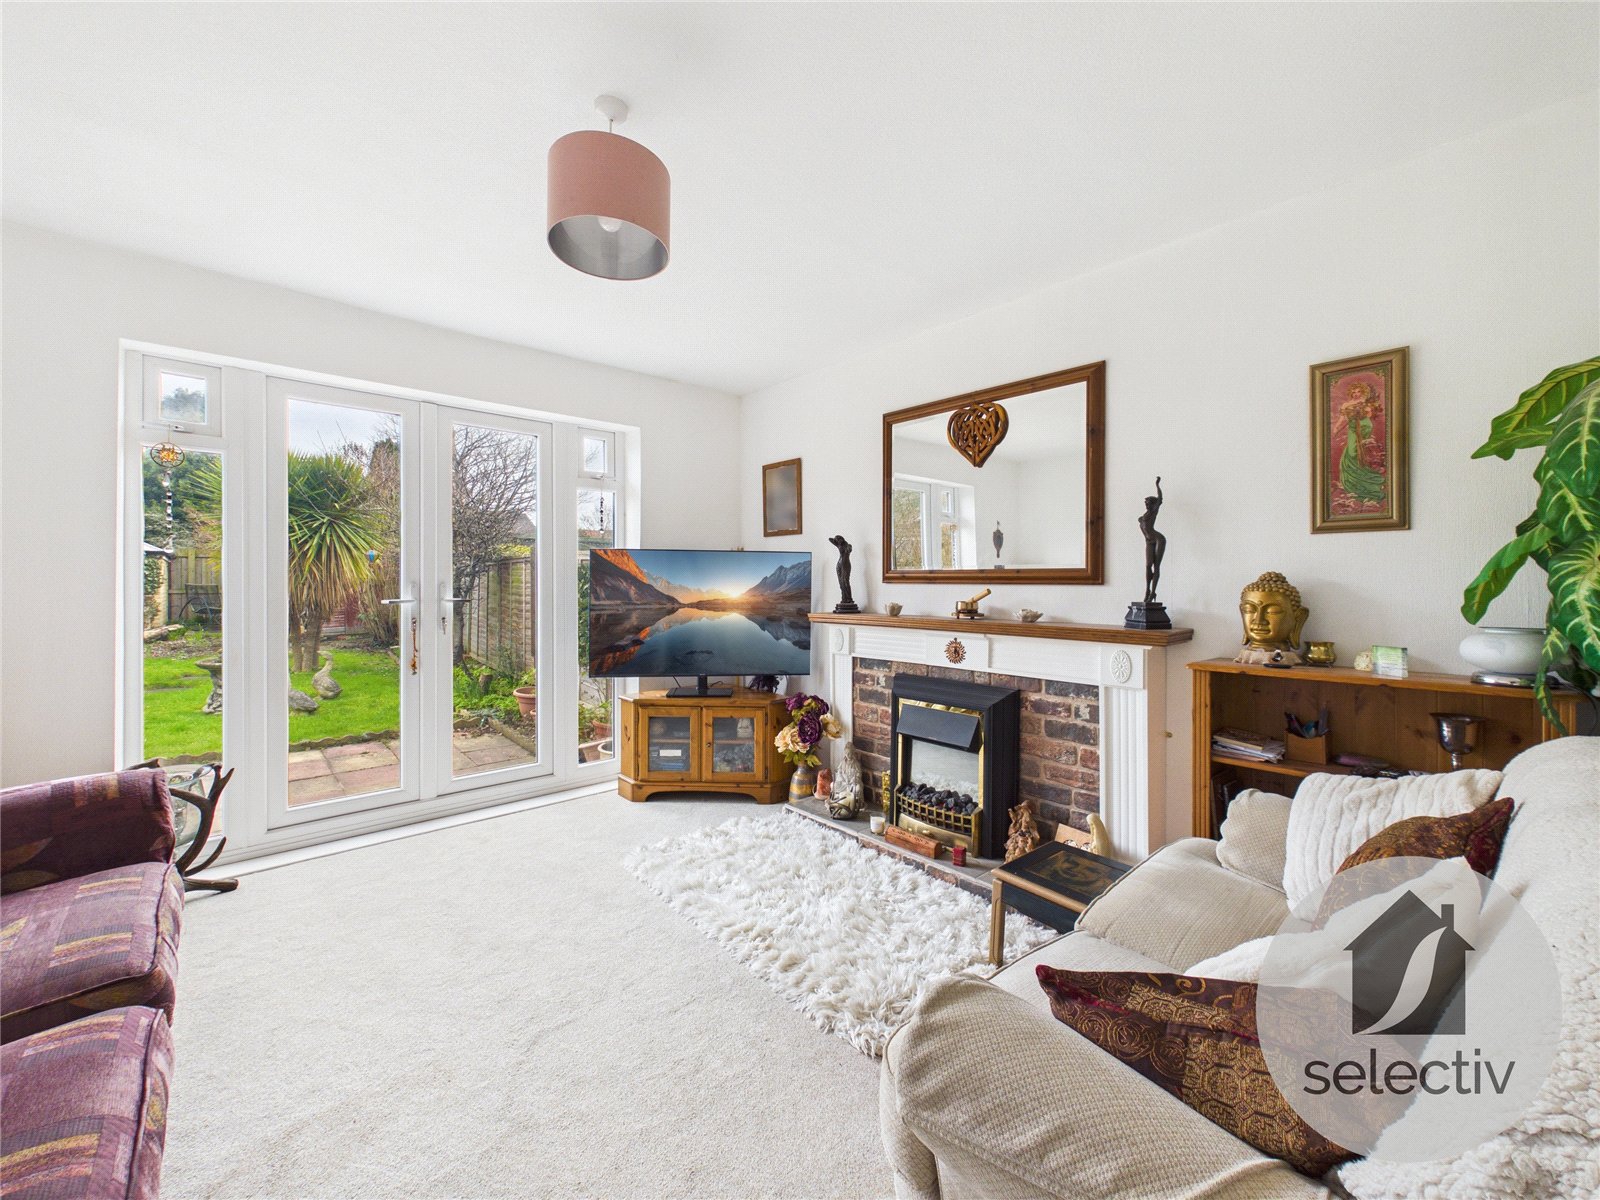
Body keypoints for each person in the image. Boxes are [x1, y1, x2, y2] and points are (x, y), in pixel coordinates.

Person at [1337, 384, 1385, 506]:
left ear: (1362, 392)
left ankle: (1363, 481)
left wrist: (1361, 412)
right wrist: (1336, 428)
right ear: (1351, 393)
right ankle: (1356, 482)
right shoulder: (1346, 405)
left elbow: (1369, 414)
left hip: (1364, 426)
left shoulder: (1365, 402)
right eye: (1354, 392)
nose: (1356, 394)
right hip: (1353, 428)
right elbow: (1342, 419)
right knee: (1351, 452)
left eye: (1358, 391)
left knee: (1358, 451)